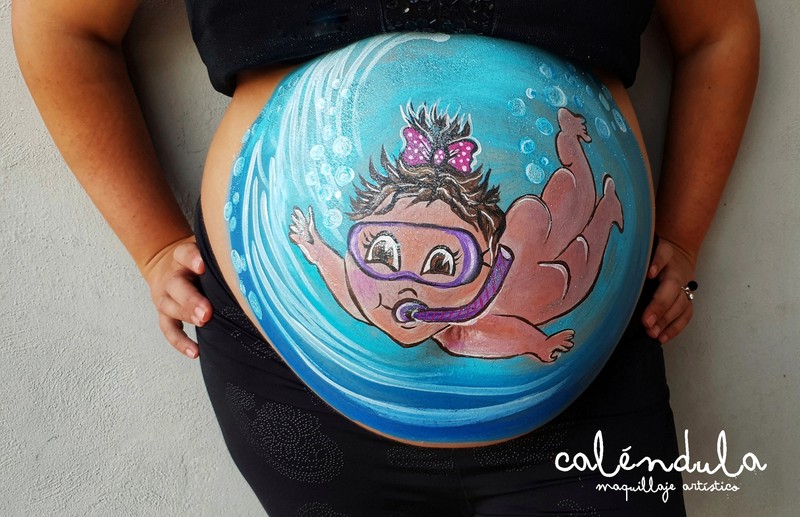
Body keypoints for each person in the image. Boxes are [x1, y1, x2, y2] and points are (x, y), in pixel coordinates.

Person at [13, 1, 759, 515]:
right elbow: (62, 24)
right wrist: (151, 243)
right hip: (297, 391)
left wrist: (681, 237)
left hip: (591, 391)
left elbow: (718, 31)